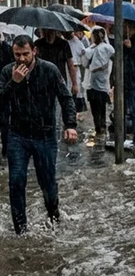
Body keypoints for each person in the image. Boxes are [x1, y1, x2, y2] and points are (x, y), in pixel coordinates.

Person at [0, 35, 78, 235]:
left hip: (45, 134)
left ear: (34, 51)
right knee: (16, 181)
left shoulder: (49, 70)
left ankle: (54, 217)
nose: (22, 59)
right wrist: (14, 82)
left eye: (26, 54)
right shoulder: (7, 72)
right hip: (18, 134)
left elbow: (65, 97)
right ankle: (21, 231)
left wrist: (70, 124)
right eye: (17, 55)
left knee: (47, 181)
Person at [83, 27, 115, 136]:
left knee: (98, 107)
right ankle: (100, 126)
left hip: (98, 82)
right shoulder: (92, 49)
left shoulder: (104, 48)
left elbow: (85, 64)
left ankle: (100, 127)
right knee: (99, 107)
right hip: (96, 81)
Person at [34, 29, 78, 97]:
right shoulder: (37, 44)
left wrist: (74, 84)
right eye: (47, 30)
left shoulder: (63, 44)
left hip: (59, 80)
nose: (49, 32)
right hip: (42, 81)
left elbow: (70, 65)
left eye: (51, 30)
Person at [66, 31, 88, 119]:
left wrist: (74, 82)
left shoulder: (77, 43)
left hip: (73, 73)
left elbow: (75, 63)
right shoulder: (66, 42)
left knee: (73, 95)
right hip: (67, 72)